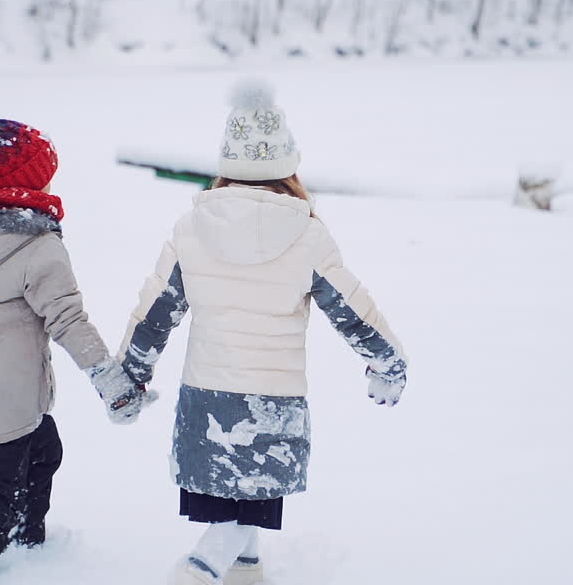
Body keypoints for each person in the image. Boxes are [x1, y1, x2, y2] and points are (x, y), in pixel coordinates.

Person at [117, 81, 409, 585]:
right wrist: (388, 363)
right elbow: (352, 311)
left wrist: (131, 373)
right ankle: (197, 572)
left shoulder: (193, 227)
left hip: (206, 400)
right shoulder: (307, 234)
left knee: (238, 510)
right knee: (240, 514)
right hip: (272, 405)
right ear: (288, 168)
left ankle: (246, 575)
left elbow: (156, 311)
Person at [0, 103, 151, 585]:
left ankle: (25, 540)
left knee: (44, 451)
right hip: (9, 395)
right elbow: (68, 319)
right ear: (28, 183)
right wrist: (110, 380)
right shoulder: (38, 245)